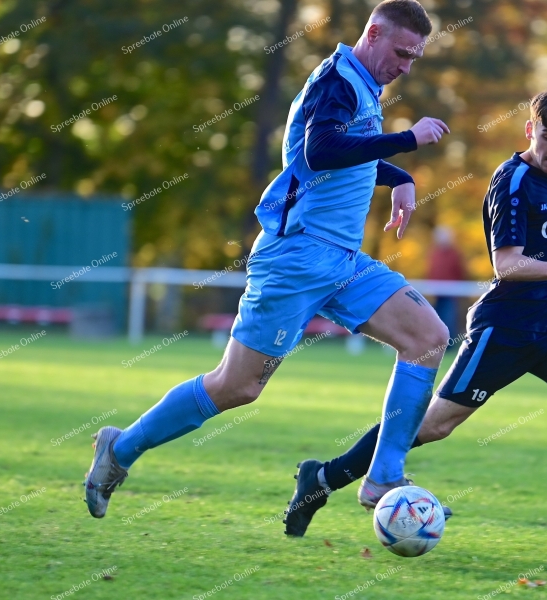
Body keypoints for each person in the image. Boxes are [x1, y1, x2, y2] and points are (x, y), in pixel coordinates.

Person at [84, 0, 453, 519]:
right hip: (296, 259)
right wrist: (408, 141)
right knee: (237, 386)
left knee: (428, 338)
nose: (406, 67)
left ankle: (383, 476)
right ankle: (119, 448)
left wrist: (399, 177)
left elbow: (341, 157)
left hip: (343, 262)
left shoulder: (363, 86)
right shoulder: (337, 81)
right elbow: (321, 150)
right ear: (373, 33)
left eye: (415, 57)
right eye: (402, 53)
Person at [284, 80, 547, 545]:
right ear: (529, 130)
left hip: (545, 327)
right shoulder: (512, 181)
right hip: (503, 330)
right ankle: (321, 479)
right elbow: (507, 264)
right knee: (431, 424)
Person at [427, 225, 466, 339]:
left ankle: (449, 343)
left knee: (449, 318)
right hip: (436, 292)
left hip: (451, 293)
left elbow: (460, 272)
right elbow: (431, 271)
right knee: (437, 317)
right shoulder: (434, 253)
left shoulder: (455, 254)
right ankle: (437, 341)